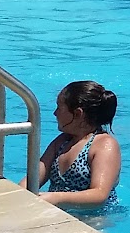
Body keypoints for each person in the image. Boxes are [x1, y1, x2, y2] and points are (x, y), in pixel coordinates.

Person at [39, 80, 122, 213]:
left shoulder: (104, 145)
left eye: (59, 107)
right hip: (59, 212)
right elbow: (33, 178)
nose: (55, 113)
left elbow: (99, 195)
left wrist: (56, 197)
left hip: (95, 217)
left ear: (78, 114)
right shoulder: (61, 142)